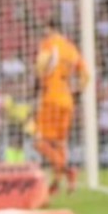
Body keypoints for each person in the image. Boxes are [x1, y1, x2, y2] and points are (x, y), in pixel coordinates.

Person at [34, 19, 89, 195]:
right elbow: (85, 76)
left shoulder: (50, 43)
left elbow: (42, 62)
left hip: (51, 97)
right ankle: (56, 183)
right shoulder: (71, 49)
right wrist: (76, 91)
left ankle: (67, 170)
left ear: (50, 28)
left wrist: (39, 77)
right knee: (59, 143)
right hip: (67, 99)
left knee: (39, 141)